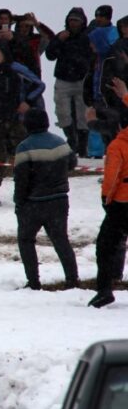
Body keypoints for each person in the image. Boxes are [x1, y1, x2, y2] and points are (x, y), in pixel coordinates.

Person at [13, 108, 79, 290]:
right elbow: (72, 163)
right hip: (59, 201)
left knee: (26, 241)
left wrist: (19, 203)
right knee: (61, 240)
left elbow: (21, 180)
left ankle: (33, 282)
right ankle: (72, 279)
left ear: (27, 125)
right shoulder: (60, 143)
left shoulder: (24, 147)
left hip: (33, 203)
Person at [0, 40, 46, 206]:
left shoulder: (17, 69)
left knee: (22, 157)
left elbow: (39, 85)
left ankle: (23, 190)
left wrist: (28, 101)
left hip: (16, 120)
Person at [91, 98, 128, 309]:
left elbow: (112, 177)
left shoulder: (118, 145)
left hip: (122, 204)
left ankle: (104, 289)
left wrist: (106, 199)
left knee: (105, 246)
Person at [46, 7, 94, 158]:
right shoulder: (62, 36)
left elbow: (93, 57)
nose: (73, 23)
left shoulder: (87, 37)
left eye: (76, 20)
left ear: (82, 22)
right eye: (71, 20)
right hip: (63, 79)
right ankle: (71, 139)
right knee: (62, 113)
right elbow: (50, 55)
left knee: (83, 116)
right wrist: (58, 41)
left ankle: (82, 146)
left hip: (82, 80)